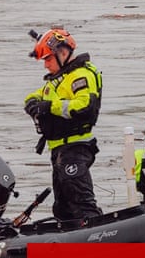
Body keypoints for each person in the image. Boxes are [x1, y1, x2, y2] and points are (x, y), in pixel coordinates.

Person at [23, 28, 103, 221]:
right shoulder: (59, 79)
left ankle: (98, 240)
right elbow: (40, 94)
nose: (46, 65)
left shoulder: (80, 76)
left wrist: (50, 107)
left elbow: (84, 106)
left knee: (81, 203)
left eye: (48, 59)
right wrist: (32, 103)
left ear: (63, 53)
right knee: (62, 207)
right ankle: (68, 243)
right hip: (60, 149)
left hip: (76, 148)